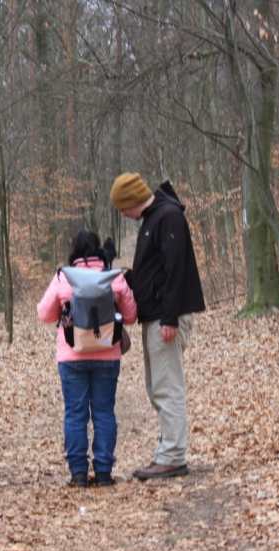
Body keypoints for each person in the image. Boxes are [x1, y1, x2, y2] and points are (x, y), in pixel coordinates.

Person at [109, 172, 205, 480]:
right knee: (156, 387)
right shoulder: (153, 220)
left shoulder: (169, 218)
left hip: (166, 318)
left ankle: (173, 455)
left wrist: (169, 317)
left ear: (133, 201)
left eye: (124, 208)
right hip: (156, 316)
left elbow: (176, 271)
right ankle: (168, 449)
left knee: (167, 386)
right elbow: (154, 271)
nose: (124, 215)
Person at [37, 231, 138, 488]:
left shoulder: (64, 277)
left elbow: (45, 314)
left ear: (74, 252)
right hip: (107, 356)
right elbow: (130, 315)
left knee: (75, 413)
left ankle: (78, 473)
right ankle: (104, 472)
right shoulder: (112, 279)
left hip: (71, 356)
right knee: (104, 411)